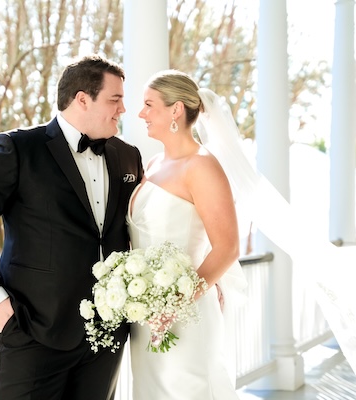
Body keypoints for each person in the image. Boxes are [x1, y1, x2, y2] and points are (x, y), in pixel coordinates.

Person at [0, 54, 144, 400]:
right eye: (115, 99)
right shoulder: (19, 148)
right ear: (82, 99)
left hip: (107, 334)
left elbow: (139, 232)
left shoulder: (129, 156)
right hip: (32, 332)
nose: (123, 109)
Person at [126, 69, 246, 399]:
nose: (141, 113)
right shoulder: (151, 165)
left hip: (185, 314)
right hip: (145, 316)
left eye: (149, 105)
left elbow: (227, 247)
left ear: (176, 110)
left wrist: (174, 304)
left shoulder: (203, 166)